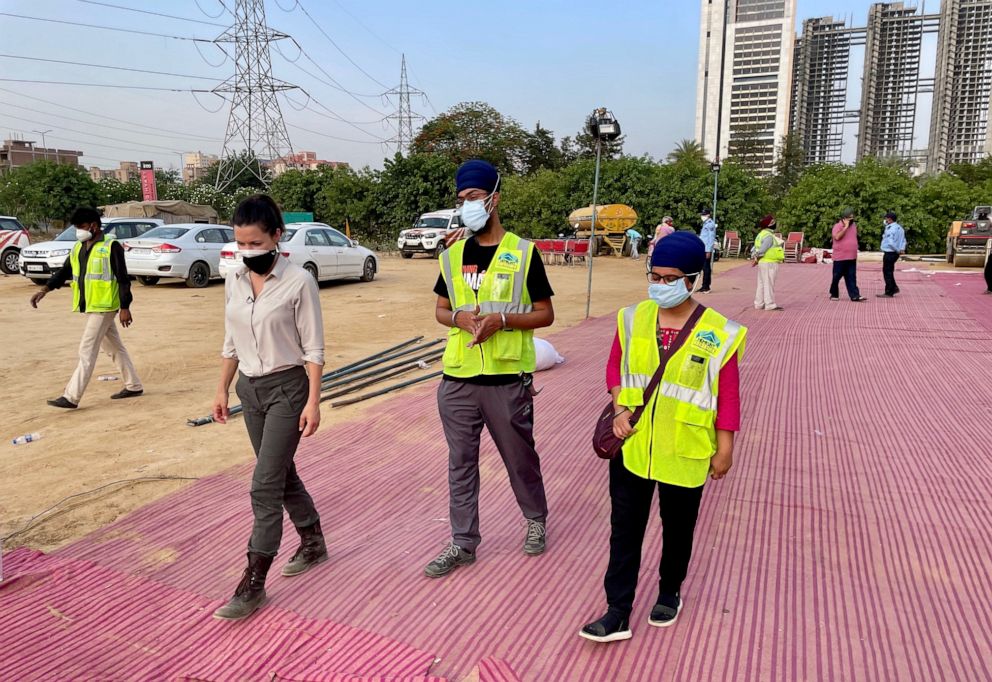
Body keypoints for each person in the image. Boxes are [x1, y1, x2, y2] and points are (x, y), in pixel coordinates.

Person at [580, 231, 746, 643]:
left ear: (692, 279)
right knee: (625, 529)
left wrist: (725, 447)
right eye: (654, 275)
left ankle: (669, 592)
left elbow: (727, 394)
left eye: (670, 278)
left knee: (678, 529)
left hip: (685, 448)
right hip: (633, 445)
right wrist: (619, 409)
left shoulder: (719, 331)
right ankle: (617, 610)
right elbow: (615, 369)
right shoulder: (632, 317)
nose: (660, 284)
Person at [425, 159, 555, 578]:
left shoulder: (523, 252)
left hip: (505, 379)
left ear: (494, 199)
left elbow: (545, 314)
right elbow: (442, 311)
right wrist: (458, 318)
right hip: (458, 378)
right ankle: (462, 542)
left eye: (474, 198)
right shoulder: (453, 254)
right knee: (460, 462)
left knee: (519, 457)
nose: (467, 207)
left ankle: (535, 519)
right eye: (462, 199)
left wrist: (504, 321)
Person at [211, 195, 327, 621]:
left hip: (288, 390)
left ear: (277, 236)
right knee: (279, 472)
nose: (248, 252)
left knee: (263, 485)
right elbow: (231, 341)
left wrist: (314, 401)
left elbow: (313, 347)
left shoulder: (299, 282)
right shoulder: (235, 280)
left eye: (256, 243)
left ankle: (253, 581)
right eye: (241, 244)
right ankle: (313, 541)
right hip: (250, 391)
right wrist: (222, 389)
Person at [29, 207, 143, 408]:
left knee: (86, 349)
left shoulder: (111, 246)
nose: (78, 231)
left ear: (94, 225)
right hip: (92, 306)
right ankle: (134, 385)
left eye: (81, 227)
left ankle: (71, 397)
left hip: (106, 306)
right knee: (115, 348)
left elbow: (124, 279)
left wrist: (125, 307)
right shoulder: (78, 247)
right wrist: (45, 289)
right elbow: (65, 271)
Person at [829, 208, 866, 302]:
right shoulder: (837, 226)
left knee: (851, 277)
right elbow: (837, 237)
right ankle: (834, 293)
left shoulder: (854, 226)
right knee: (836, 276)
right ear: (844, 218)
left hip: (852, 256)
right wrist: (845, 227)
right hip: (840, 257)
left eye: (852, 218)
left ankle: (855, 295)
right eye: (849, 218)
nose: (851, 220)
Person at [751, 214, 785, 311]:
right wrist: (757, 258)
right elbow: (762, 250)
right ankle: (769, 304)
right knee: (768, 283)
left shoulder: (760, 235)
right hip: (769, 263)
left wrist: (756, 259)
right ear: (768, 225)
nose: (774, 224)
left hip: (762, 262)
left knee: (761, 284)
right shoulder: (769, 236)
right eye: (773, 223)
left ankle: (759, 304)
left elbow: (754, 249)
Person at [878, 212, 906, 298]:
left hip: (890, 252)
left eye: (886, 218)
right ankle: (894, 288)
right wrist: (902, 249)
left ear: (890, 219)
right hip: (895, 253)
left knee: (887, 272)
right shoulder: (900, 228)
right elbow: (904, 240)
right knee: (889, 271)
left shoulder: (890, 229)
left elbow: (890, 242)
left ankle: (889, 292)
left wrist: (897, 250)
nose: (885, 220)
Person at [698, 209, 716, 293]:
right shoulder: (705, 224)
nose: (703, 216)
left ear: (708, 215)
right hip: (703, 248)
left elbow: (711, 238)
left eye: (704, 214)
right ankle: (704, 286)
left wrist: (708, 250)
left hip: (706, 249)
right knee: (704, 268)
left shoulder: (710, 224)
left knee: (706, 268)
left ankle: (706, 287)